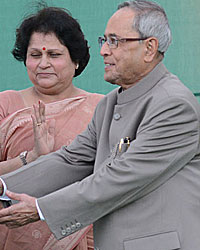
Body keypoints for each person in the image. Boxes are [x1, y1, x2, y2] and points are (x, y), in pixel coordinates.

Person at [0, 0, 200, 249]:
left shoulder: (174, 105)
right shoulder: (110, 104)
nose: (104, 50)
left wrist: (41, 208)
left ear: (149, 48)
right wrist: (5, 186)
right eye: (104, 40)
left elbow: (120, 177)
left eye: (115, 41)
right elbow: (72, 160)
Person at [0, 6, 103, 250]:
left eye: (54, 55)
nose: (43, 64)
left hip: (79, 235)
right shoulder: (6, 104)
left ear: (76, 60)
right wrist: (31, 158)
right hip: (12, 234)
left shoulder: (101, 108)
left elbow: (112, 178)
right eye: (35, 55)